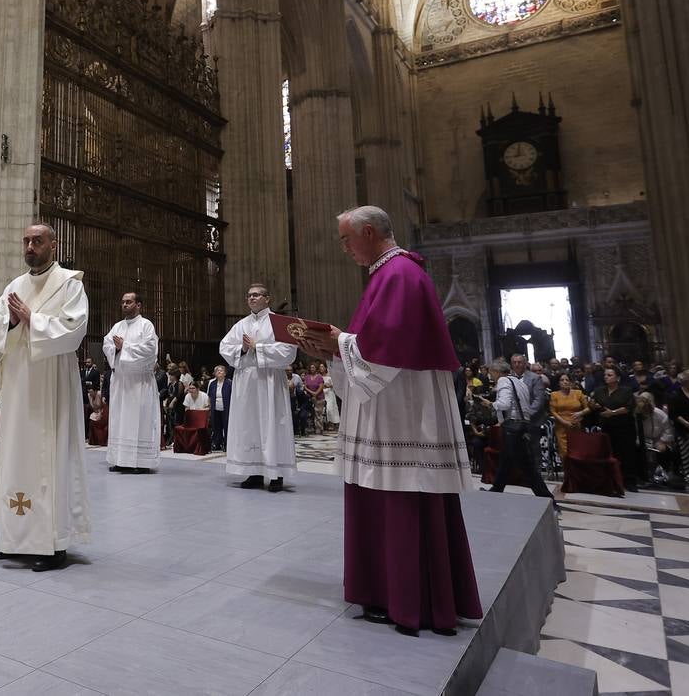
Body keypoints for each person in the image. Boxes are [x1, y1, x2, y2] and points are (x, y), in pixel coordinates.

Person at [299, 205, 481, 636]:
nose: (343, 248)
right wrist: (333, 349)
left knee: (399, 496)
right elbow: (373, 343)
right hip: (392, 406)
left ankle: (405, 596)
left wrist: (337, 342)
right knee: (388, 496)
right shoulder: (391, 274)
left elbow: (383, 349)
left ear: (367, 231)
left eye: (346, 239)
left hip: (401, 414)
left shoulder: (397, 274)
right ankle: (395, 592)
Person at [0, 222, 90, 572]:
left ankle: (52, 542)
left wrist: (34, 319)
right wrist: (15, 324)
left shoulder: (70, 284)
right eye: (27, 241)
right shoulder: (14, 286)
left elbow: (74, 330)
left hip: (51, 383)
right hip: (18, 384)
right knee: (15, 453)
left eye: (38, 241)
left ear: (53, 245)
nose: (31, 246)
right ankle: (14, 538)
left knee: (52, 455)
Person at [220, 283, 298, 492]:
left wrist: (258, 347)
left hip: (270, 382)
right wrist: (243, 349)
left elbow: (289, 352)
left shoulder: (278, 323)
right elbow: (224, 347)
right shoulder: (241, 325)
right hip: (246, 384)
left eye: (256, 295)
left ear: (267, 298)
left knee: (272, 423)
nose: (252, 298)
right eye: (249, 296)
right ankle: (253, 471)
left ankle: (276, 474)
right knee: (249, 425)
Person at [103, 291, 162, 473]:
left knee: (140, 420)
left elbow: (150, 350)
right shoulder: (117, 326)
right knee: (119, 420)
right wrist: (116, 349)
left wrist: (125, 347)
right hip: (121, 381)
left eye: (129, 302)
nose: (125, 305)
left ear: (139, 305)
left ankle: (140, 462)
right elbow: (107, 344)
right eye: (123, 302)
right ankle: (121, 459)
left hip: (139, 382)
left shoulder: (146, 325)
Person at [487, 356, 556, 503]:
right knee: (506, 460)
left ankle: (547, 497)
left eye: (491, 372)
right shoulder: (518, 381)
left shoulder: (503, 380)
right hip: (522, 424)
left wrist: (491, 404)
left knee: (526, 465)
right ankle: (496, 489)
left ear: (496, 371)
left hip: (512, 426)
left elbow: (504, 404)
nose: (491, 375)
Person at [583, 367, 640, 491]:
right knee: (609, 453)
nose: (606, 377)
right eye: (605, 375)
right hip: (606, 426)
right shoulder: (599, 391)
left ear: (617, 378)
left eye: (610, 375)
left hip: (624, 427)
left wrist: (613, 412)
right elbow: (594, 405)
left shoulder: (626, 391)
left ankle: (629, 480)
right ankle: (611, 479)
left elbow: (628, 407)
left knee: (626, 454)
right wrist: (593, 405)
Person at [634, 393, 675, 485]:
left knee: (665, 452)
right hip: (640, 441)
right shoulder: (635, 414)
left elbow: (668, 429)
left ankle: (662, 474)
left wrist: (663, 442)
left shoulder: (659, 414)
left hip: (658, 440)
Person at [548, 373, 585, 461]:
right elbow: (553, 411)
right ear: (558, 383)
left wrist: (580, 413)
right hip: (561, 426)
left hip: (576, 425)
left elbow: (588, 408)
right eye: (562, 380)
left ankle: (578, 473)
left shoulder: (578, 393)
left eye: (567, 380)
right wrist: (564, 422)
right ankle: (567, 473)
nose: (565, 382)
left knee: (577, 451)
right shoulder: (554, 394)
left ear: (571, 382)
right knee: (564, 453)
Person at [207, 365, 231, 452]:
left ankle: (226, 444)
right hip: (215, 408)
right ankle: (217, 444)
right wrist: (209, 407)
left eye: (221, 370)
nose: (219, 372)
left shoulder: (229, 383)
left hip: (226, 408)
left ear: (225, 373)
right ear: (215, 373)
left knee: (226, 426)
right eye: (217, 371)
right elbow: (209, 396)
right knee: (216, 427)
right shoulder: (212, 383)